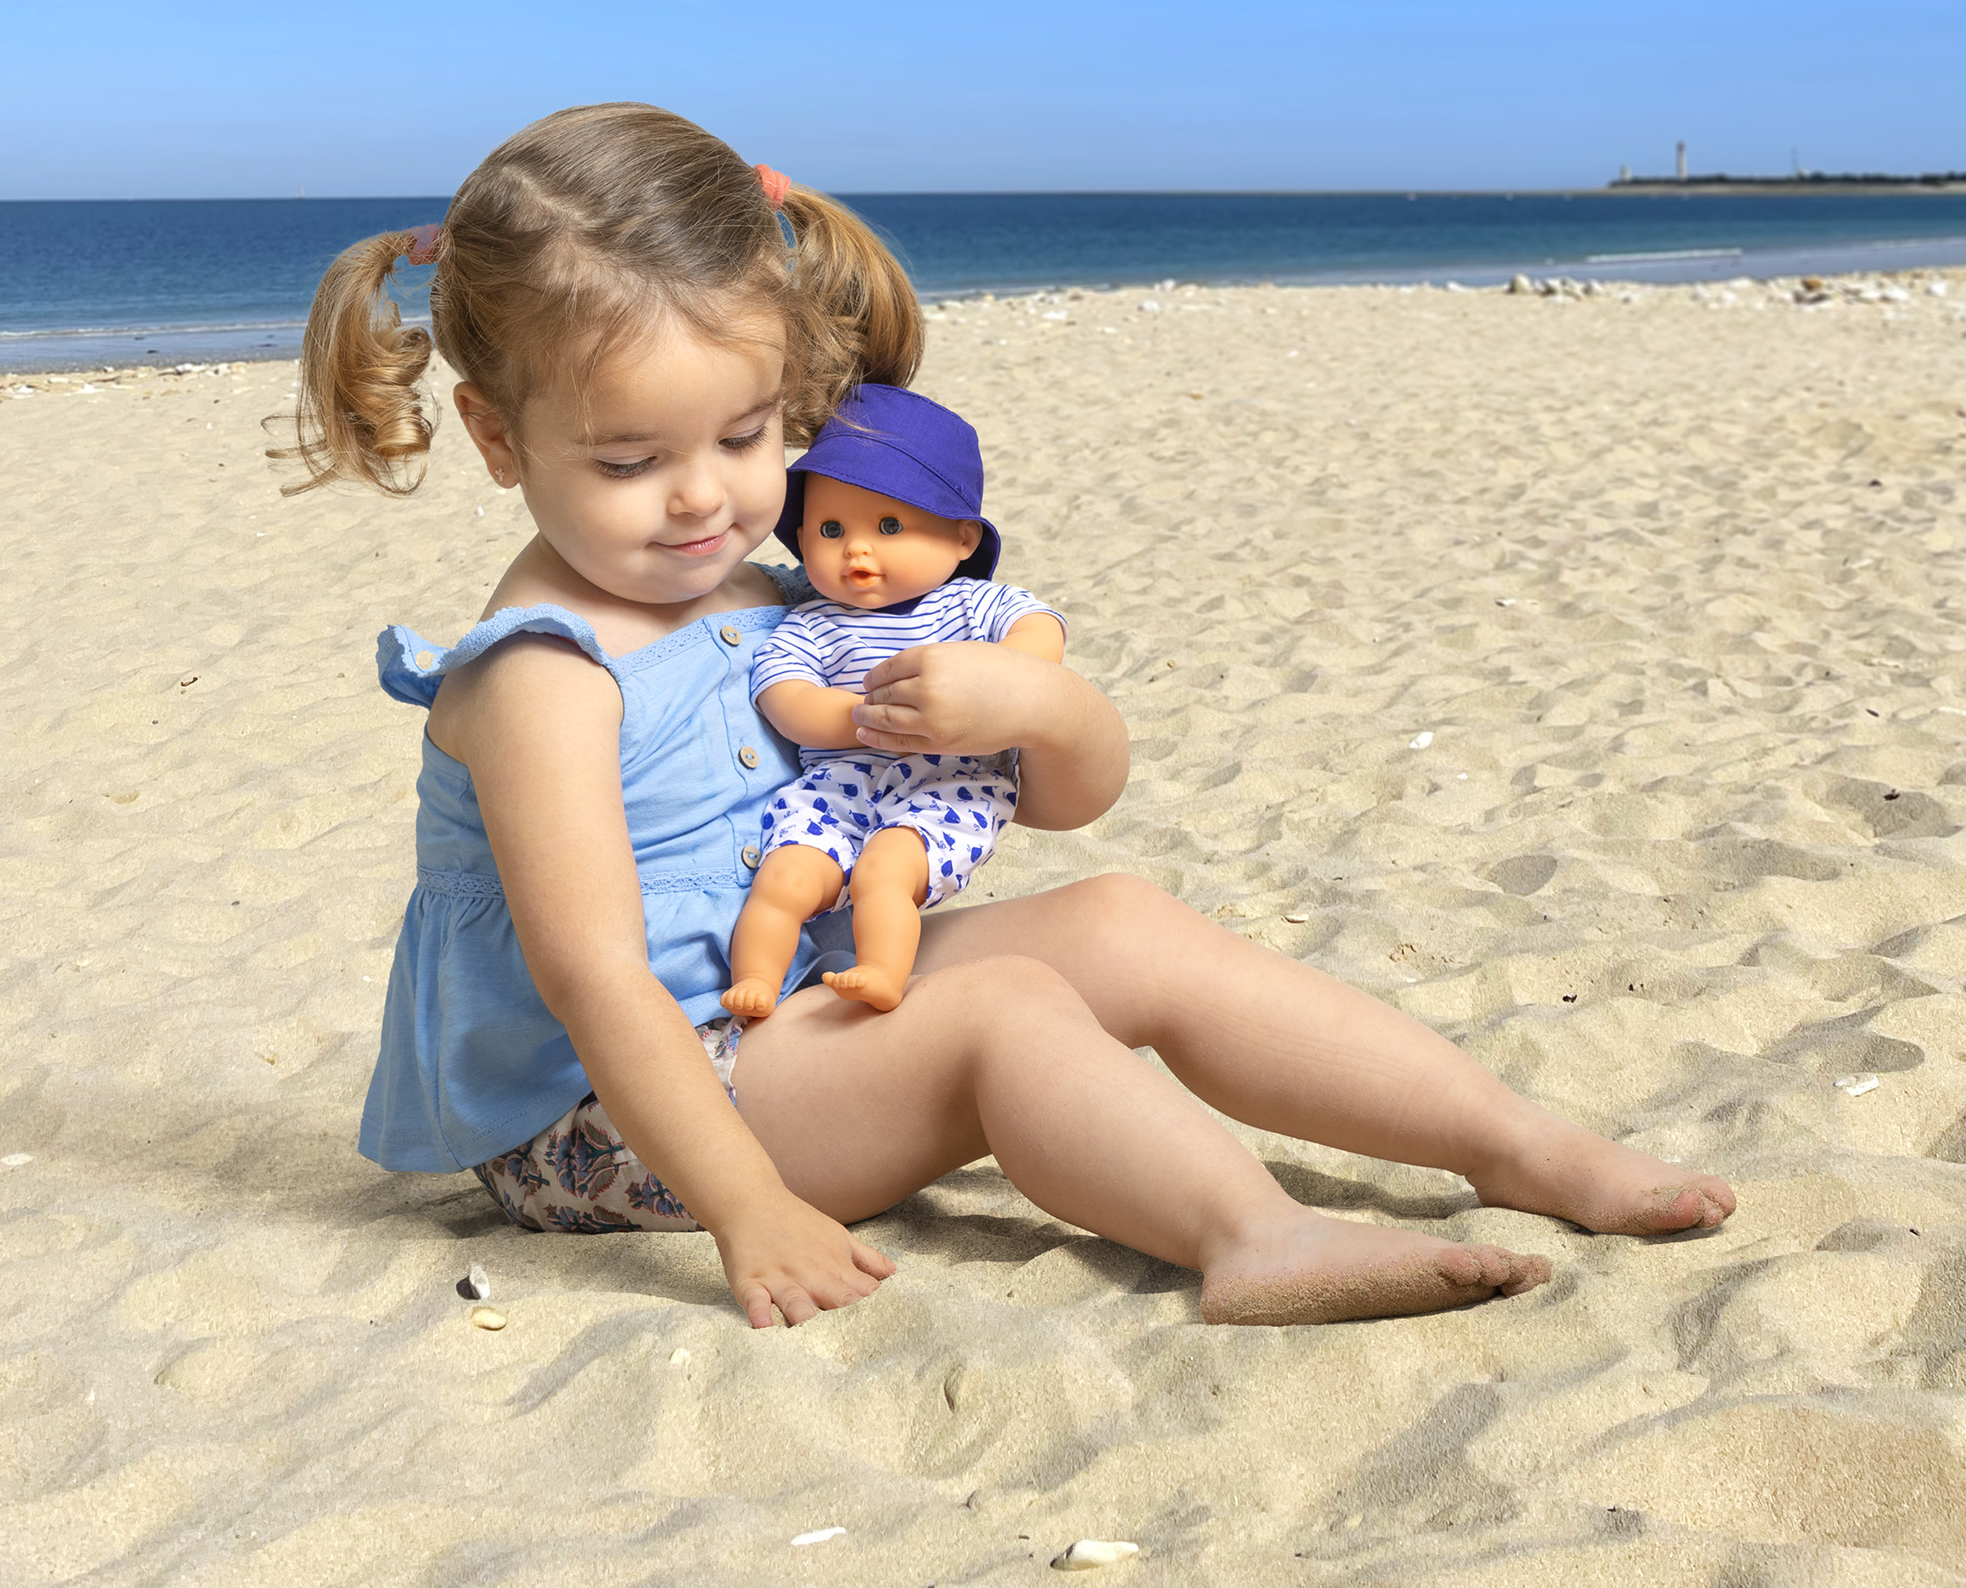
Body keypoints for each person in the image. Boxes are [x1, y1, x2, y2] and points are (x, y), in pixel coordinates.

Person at [281, 100, 1736, 1332]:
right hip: (611, 1122)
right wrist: (748, 1210)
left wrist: (1034, 700)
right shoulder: (540, 675)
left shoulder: (784, 592)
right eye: (626, 459)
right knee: (1006, 1009)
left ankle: (1514, 1142)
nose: (700, 499)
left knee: (1121, 921)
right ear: (495, 436)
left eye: (743, 437)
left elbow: (1062, 796)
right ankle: (1254, 1236)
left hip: (795, 1004)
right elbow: (599, 986)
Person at [723, 383, 1064, 1019]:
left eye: (888, 526)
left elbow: (1041, 630)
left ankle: (880, 970)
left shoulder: (970, 605)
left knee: (887, 871)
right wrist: (862, 718)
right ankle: (756, 982)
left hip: (948, 784)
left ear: (963, 539)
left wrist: (1000, 683)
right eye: (830, 529)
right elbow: (782, 694)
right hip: (840, 780)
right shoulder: (813, 622)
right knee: (786, 878)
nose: (856, 548)